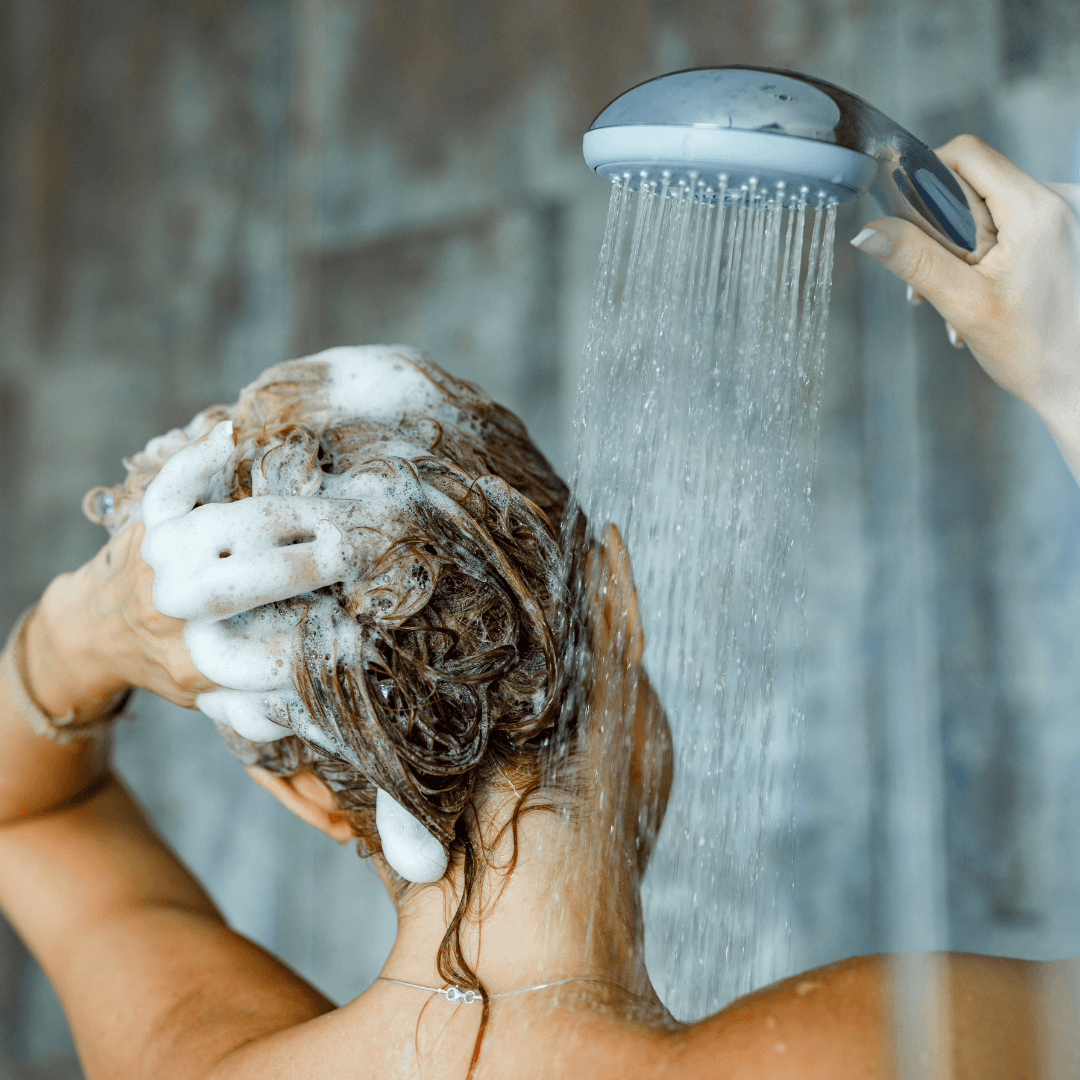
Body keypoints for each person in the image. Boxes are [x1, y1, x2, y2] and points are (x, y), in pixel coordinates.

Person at [0, 134, 1077, 1080]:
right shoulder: (858, 1050)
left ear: (313, 801)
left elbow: (27, 811)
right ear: (613, 604)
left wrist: (87, 627)